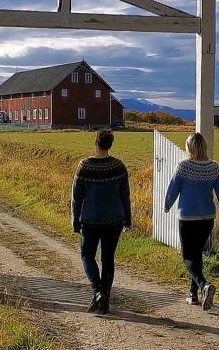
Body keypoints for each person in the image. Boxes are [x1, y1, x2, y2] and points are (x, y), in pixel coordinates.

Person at [164, 132, 219, 311]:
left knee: (188, 257)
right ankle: (192, 294)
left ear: (189, 148)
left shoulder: (183, 167)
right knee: (197, 255)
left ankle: (204, 285)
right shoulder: (214, 167)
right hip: (207, 219)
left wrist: (167, 205)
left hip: (187, 218)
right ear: (204, 146)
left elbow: (173, 188)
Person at [71, 128, 131, 315]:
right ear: (110, 144)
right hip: (114, 219)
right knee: (108, 259)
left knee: (87, 256)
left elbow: (76, 197)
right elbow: (125, 196)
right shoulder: (119, 166)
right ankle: (104, 298)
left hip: (90, 220)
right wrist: (127, 220)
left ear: (96, 143)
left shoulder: (84, 166)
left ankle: (97, 291)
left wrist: (75, 220)